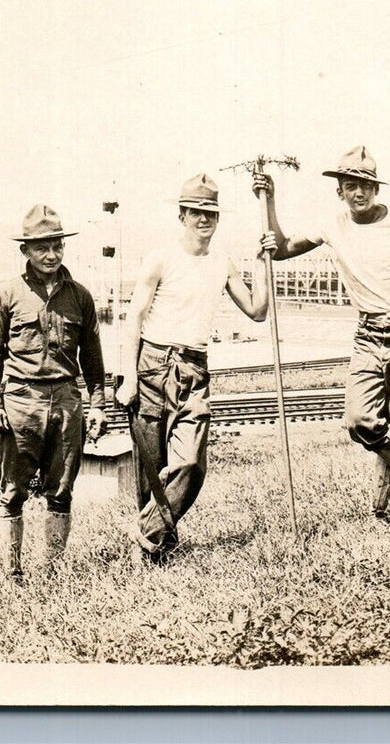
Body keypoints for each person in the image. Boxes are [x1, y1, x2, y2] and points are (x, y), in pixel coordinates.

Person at [254, 146, 390, 516]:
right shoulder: (333, 225)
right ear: (339, 190)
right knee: (360, 420)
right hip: (369, 333)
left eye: (366, 186)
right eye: (350, 186)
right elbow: (281, 249)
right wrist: (270, 199)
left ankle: (380, 510)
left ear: (376, 189)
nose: (359, 193)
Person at [116, 173, 270, 563]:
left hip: (194, 369)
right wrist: (129, 377)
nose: (204, 219)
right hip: (152, 366)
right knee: (151, 470)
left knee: (190, 464)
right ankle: (157, 552)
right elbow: (134, 319)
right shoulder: (160, 258)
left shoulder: (222, 262)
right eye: (196, 212)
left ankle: (143, 535)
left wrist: (261, 262)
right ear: (182, 216)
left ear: (217, 219)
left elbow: (257, 311)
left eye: (210, 214)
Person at [0, 204, 107, 584]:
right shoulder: (8, 295)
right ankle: (12, 575)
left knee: (61, 492)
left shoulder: (80, 296)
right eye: (41, 248)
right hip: (20, 403)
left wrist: (98, 405)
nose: (51, 255)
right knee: (11, 494)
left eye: (56, 246)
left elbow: (93, 358)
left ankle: (53, 575)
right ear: (26, 251)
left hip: (66, 402)